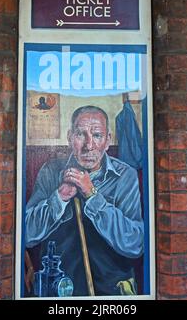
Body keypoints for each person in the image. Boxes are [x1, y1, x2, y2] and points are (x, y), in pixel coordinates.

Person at [25, 105, 144, 296]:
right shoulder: (51, 171)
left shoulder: (124, 176)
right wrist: (60, 197)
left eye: (97, 135)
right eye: (81, 134)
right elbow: (27, 235)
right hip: (60, 291)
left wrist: (92, 195)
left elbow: (135, 244)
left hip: (113, 290)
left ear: (108, 140)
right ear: (70, 137)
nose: (89, 145)